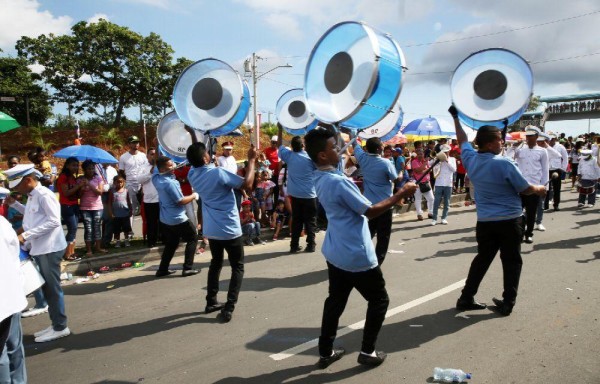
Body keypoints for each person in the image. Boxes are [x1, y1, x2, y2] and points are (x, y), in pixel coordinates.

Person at [303, 126, 417, 368]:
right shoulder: (337, 182)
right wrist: (401, 193)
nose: (339, 150)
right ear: (322, 155)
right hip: (356, 253)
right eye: (333, 147)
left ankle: (326, 352)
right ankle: (367, 351)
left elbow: (340, 163)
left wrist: (341, 135)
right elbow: (371, 211)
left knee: (335, 301)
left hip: (335, 251)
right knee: (379, 300)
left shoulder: (319, 176)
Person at [448, 106, 546, 317]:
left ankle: (466, 297)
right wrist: (540, 189)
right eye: (500, 140)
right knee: (511, 262)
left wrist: (456, 117)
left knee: (482, 259)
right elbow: (526, 189)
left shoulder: (470, 159)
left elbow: (461, 138)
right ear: (490, 143)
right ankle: (508, 302)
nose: (502, 143)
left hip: (485, 222)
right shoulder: (504, 163)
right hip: (510, 221)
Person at [186, 141, 257, 322]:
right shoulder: (218, 173)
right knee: (237, 267)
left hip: (212, 230)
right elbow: (247, 184)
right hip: (230, 229)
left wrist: (193, 132)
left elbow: (198, 153)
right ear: (205, 157)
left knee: (215, 264)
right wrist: (251, 160)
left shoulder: (192, 173)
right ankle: (229, 307)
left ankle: (211, 301)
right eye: (207, 153)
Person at [4, 164, 71, 342]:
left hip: (49, 247)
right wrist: (16, 204)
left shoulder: (44, 195)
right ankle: (55, 323)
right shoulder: (33, 196)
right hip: (41, 247)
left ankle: (60, 326)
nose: (17, 189)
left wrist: (25, 235)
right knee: (48, 288)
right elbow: (33, 216)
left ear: (28, 180)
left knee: (53, 289)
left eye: (18, 185)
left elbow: (54, 221)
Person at [152, 156, 200, 278]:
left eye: (173, 164)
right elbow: (181, 201)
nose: (173, 167)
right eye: (170, 166)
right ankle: (187, 268)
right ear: (162, 169)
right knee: (193, 238)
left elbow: (157, 165)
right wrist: (194, 195)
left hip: (165, 219)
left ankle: (162, 269)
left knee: (172, 243)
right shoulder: (170, 183)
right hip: (177, 219)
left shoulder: (156, 177)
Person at [353, 137, 398, 265]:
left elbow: (355, 145)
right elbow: (394, 178)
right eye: (383, 147)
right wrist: (400, 172)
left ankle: (360, 257)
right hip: (385, 206)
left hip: (369, 206)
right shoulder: (386, 163)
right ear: (379, 149)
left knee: (368, 234)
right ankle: (377, 262)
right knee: (383, 236)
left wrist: (353, 134)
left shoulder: (362, 158)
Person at [276, 124, 318, 253]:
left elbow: (279, 145)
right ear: (303, 146)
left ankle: (294, 246)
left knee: (297, 221)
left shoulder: (289, 156)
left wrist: (280, 129)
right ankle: (310, 245)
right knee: (310, 222)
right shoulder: (310, 157)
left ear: (292, 147)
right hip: (310, 195)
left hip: (295, 195)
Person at [0, 215, 28, 383]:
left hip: (9, 296)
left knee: (4, 353)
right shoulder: (2, 223)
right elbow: (13, 253)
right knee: (13, 347)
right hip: (11, 294)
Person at [515, 126, 549, 244]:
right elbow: (508, 156)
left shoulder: (542, 151)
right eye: (527, 136)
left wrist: (545, 187)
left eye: (531, 136)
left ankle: (528, 234)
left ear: (536, 137)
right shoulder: (520, 150)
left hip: (534, 186)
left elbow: (545, 170)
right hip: (520, 185)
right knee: (518, 212)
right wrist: (515, 146)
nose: (528, 138)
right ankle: (519, 233)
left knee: (531, 212)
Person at [56, 157, 82, 261]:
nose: (75, 167)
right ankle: (67, 253)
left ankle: (72, 252)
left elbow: (77, 193)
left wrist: (81, 187)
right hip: (66, 205)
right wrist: (78, 186)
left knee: (74, 229)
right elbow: (66, 193)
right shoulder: (63, 177)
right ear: (67, 165)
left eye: (77, 165)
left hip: (75, 204)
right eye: (73, 165)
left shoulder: (73, 177)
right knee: (72, 228)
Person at [78, 160, 107, 256]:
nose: (90, 170)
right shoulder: (80, 179)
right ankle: (89, 249)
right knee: (88, 228)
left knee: (97, 226)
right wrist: (82, 187)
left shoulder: (98, 178)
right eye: (88, 169)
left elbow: (100, 192)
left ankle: (98, 247)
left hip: (97, 207)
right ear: (84, 170)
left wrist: (89, 185)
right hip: (85, 207)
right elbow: (78, 195)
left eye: (92, 168)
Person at [118, 136, 148, 216]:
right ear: (129, 144)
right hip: (130, 184)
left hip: (143, 183)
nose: (136, 144)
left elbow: (146, 169)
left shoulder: (143, 155)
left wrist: (143, 182)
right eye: (134, 142)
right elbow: (121, 171)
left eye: (137, 142)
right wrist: (128, 180)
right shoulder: (123, 157)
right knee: (132, 207)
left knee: (145, 206)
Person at [139, 148, 160, 248]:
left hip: (161, 198)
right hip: (149, 200)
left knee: (163, 221)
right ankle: (151, 241)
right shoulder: (143, 167)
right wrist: (150, 172)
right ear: (147, 156)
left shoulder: (161, 166)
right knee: (151, 222)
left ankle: (163, 239)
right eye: (151, 154)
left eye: (155, 154)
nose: (153, 156)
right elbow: (140, 180)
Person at [431, 144, 456, 225]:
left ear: (449, 151)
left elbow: (454, 170)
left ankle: (444, 218)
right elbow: (431, 165)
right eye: (444, 152)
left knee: (447, 202)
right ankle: (434, 218)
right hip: (439, 183)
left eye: (446, 152)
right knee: (436, 202)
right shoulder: (438, 159)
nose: (445, 154)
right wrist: (437, 160)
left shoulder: (452, 159)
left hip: (448, 183)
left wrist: (447, 161)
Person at [108, 175, 133, 247]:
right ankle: (117, 241)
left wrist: (131, 210)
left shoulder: (126, 191)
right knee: (117, 229)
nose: (119, 184)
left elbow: (128, 201)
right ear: (114, 183)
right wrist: (110, 212)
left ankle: (126, 240)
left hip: (125, 213)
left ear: (123, 182)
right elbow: (109, 203)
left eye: (121, 182)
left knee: (126, 228)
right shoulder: (112, 192)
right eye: (117, 182)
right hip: (116, 214)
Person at [410, 147, 435, 220]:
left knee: (431, 198)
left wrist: (424, 169)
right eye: (418, 154)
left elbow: (429, 170)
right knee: (418, 199)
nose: (420, 155)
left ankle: (430, 213)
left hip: (426, 182)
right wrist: (424, 165)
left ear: (423, 154)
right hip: (417, 183)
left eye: (421, 154)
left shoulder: (425, 161)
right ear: (416, 155)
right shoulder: (414, 161)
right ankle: (419, 214)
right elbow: (418, 171)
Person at [547, 133, 569, 211]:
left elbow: (565, 158)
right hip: (547, 169)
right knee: (546, 187)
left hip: (557, 169)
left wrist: (562, 168)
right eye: (549, 139)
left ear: (555, 139)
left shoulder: (560, 147)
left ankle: (556, 204)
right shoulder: (546, 146)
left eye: (552, 139)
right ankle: (546, 205)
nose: (550, 141)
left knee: (557, 188)